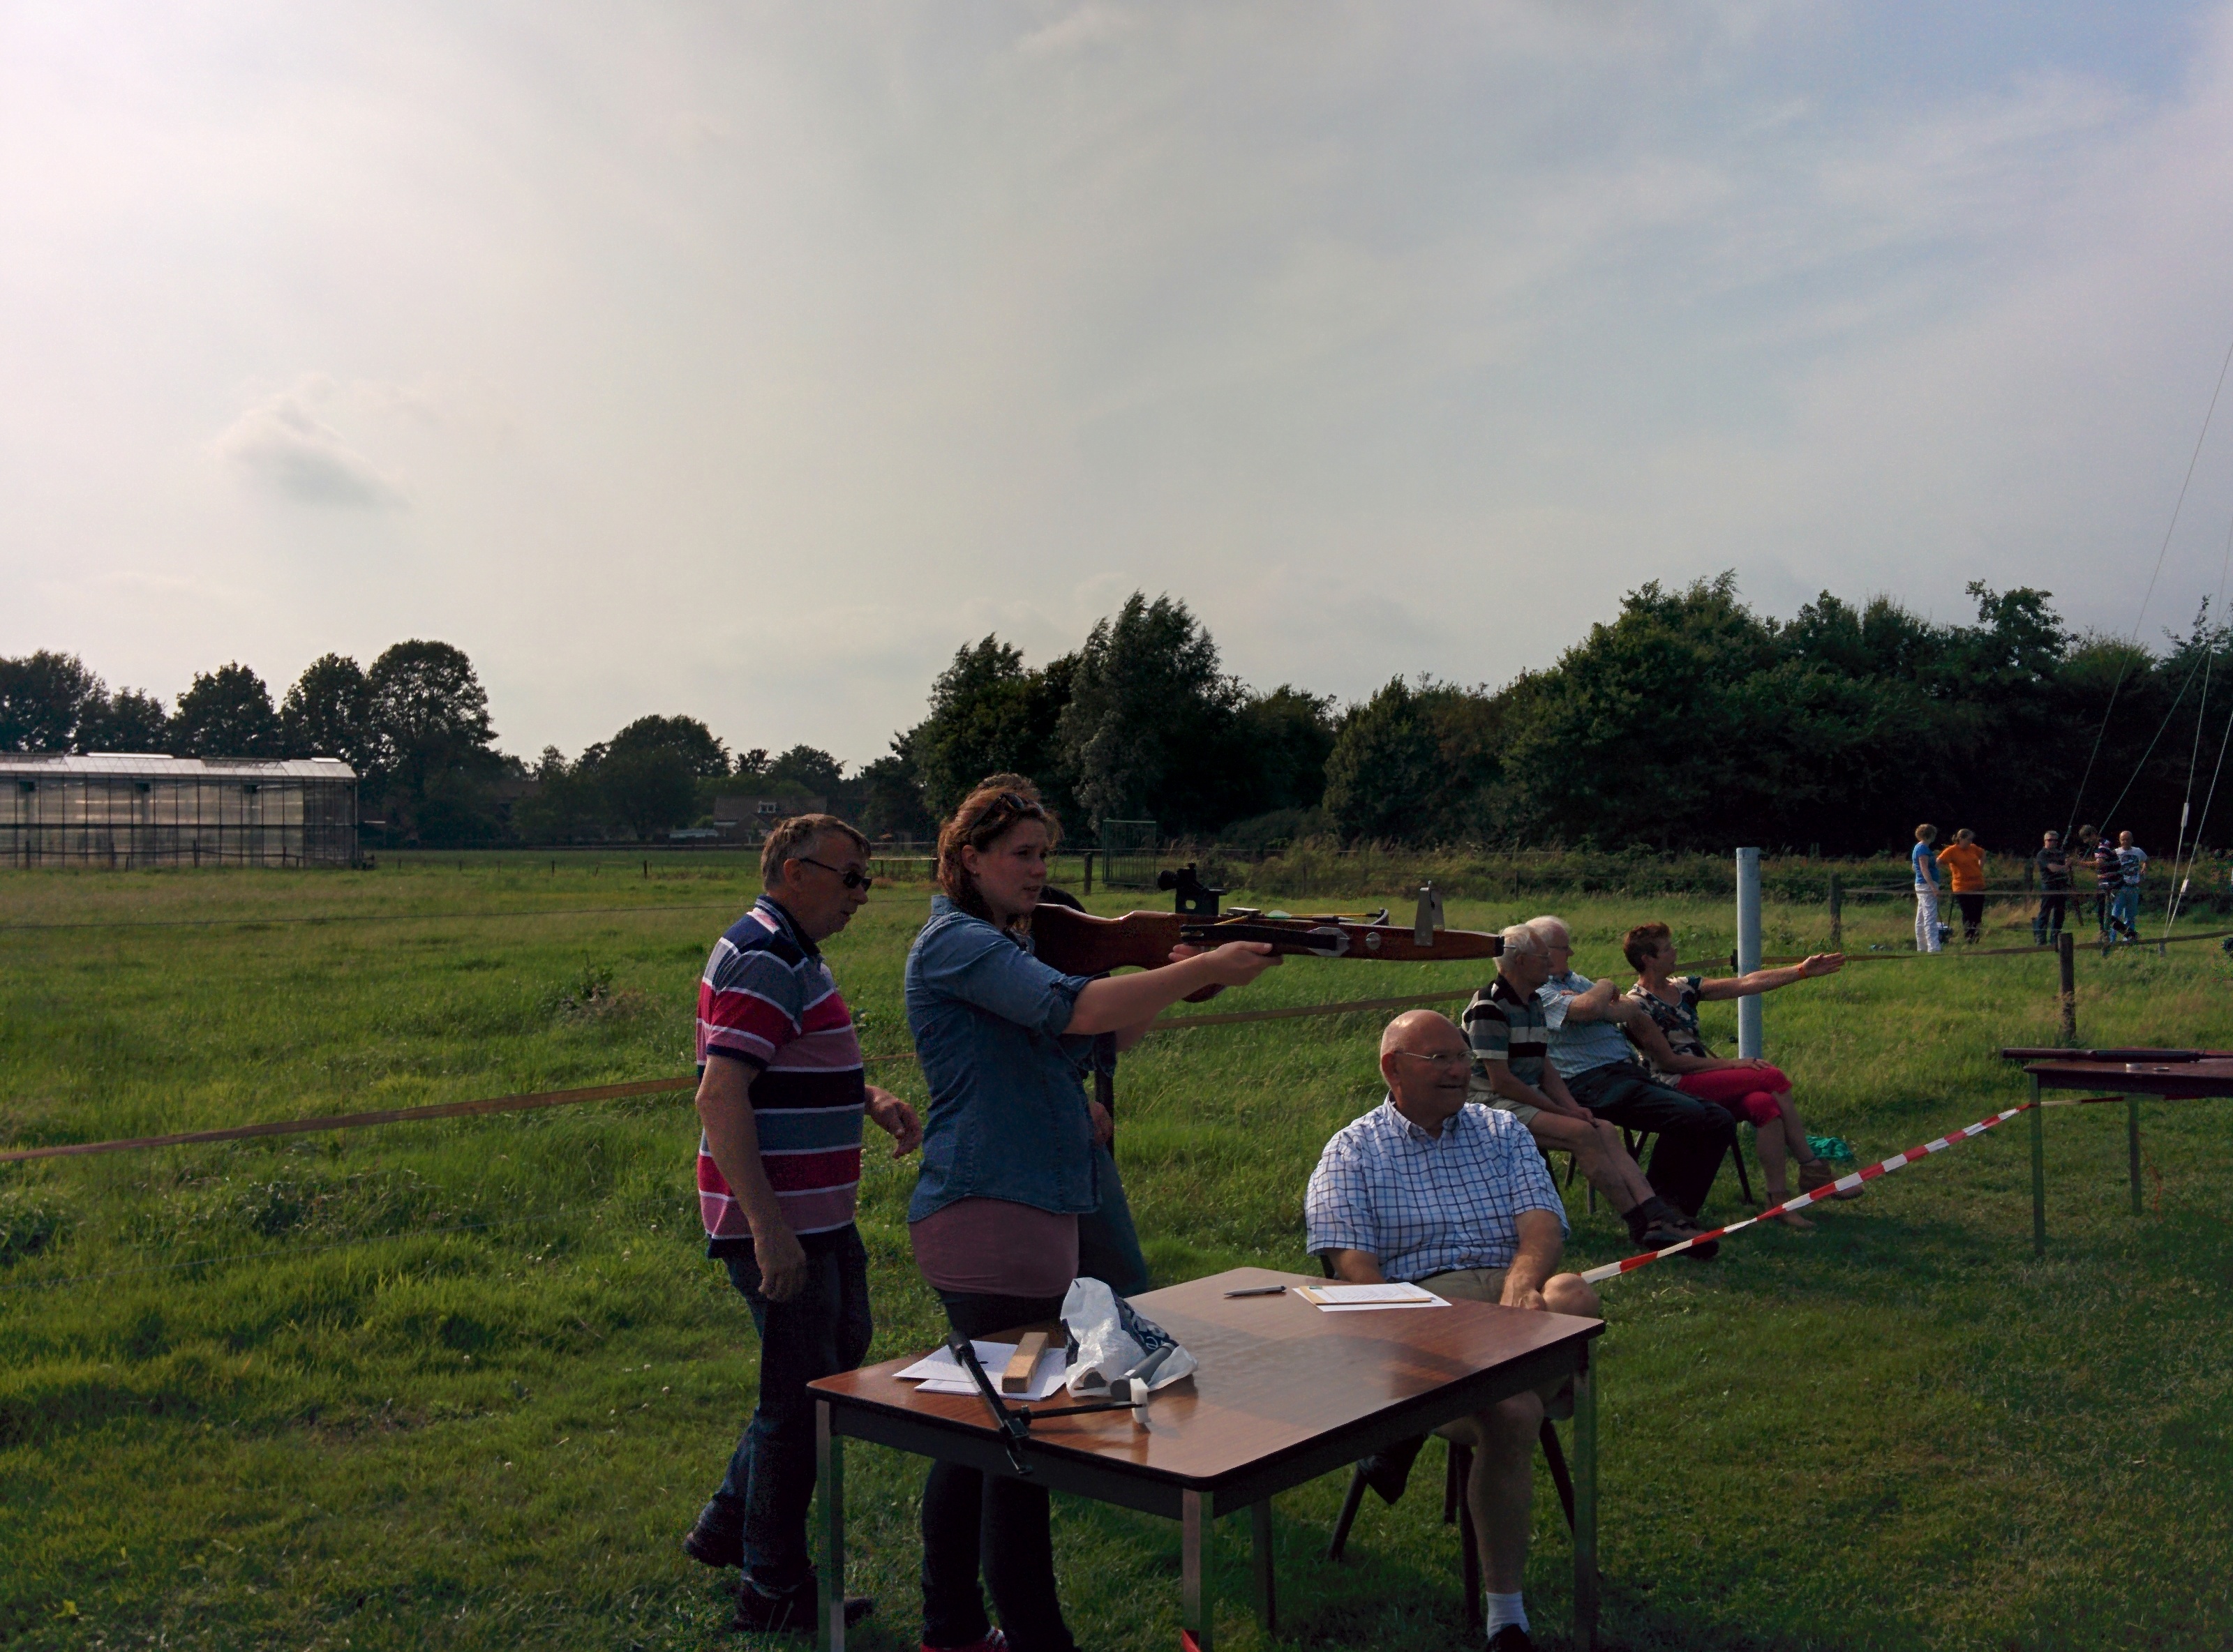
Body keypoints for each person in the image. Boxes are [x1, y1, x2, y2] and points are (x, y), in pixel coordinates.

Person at [906, 781, 1279, 1652]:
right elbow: (1074, 1008)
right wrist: (1198, 968)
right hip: (987, 1211)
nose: (1038, 869)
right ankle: (1033, 1637)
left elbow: (1105, 1034)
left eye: (1044, 853)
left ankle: (950, 1626)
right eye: (1020, 854)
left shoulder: (1011, 943)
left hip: (1026, 1209)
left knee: (983, 1433)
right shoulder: (958, 942)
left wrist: (1167, 975)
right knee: (1018, 1444)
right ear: (968, 858)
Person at [684, 815, 925, 1634]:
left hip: (815, 1216)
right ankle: (774, 1585)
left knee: (828, 1362)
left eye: (867, 878)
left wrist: (867, 1096)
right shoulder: (767, 956)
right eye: (850, 876)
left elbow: (781, 1062)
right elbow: (720, 1094)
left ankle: (729, 1524)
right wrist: (768, 1229)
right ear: (795, 872)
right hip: (785, 1222)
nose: (862, 894)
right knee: (802, 1403)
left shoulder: (786, 948)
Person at [1305, 1009, 1603, 1652]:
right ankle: (1507, 1618)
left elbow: (1542, 1221)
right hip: (1429, 1312)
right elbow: (1355, 1270)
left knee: (1573, 1293)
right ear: (1393, 1068)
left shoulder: (1501, 1129)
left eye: (1462, 1057)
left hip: (1511, 1299)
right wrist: (1419, 1331)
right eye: (1439, 1059)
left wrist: (1522, 1281)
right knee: (1515, 1413)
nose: (1459, 1070)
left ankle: (1409, 1433)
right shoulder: (1352, 1150)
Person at [1463, 922, 1708, 1256]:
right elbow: (1501, 1081)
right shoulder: (1488, 1006)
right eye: (1543, 957)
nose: (1550, 963)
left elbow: (1544, 1066)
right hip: (1489, 1102)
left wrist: (1573, 1108)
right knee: (1581, 1133)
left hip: (1520, 1094)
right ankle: (1642, 1224)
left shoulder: (1531, 1001)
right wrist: (1562, 1112)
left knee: (1602, 1128)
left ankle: (1656, 1214)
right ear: (1520, 962)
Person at [1620, 923, 1856, 1229]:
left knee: (1764, 1106)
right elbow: (1670, 1063)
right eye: (1667, 949)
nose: (1675, 951)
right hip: (1671, 1087)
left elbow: (1746, 983)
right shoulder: (1636, 1005)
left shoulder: (1684, 987)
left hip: (1701, 1080)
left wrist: (1801, 971)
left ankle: (1778, 1203)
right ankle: (1812, 1167)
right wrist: (1733, 1064)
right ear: (1648, 960)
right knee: (1770, 1076)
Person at [1525, 915, 1738, 1223]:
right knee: (1688, 1114)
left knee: (1719, 1118)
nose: (1571, 953)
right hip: (1588, 1083)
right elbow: (1589, 1009)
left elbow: (1630, 1008)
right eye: (1564, 947)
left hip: (1626, 1075)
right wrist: (1604, 988)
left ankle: (1678, 1207)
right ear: (1542, 951)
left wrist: (1596, 1004)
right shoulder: (1537, 992)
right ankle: (1659, 1211)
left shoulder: (1576, 982)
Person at [1036, 883, 1150, 1297]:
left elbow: (1113, 1034)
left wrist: (1170, 972)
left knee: (1118, 1283)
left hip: (1075, 1138)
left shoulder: (1056, 927)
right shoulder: (995, 962)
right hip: (1034, 1146)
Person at [1936, 827, 1987, 943]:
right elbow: (1939, 861)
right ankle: (1969, 936)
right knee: (1968, 912)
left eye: (1971, 840)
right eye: (1968, 839)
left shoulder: (1973, 848)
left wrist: (1980, 867)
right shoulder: (1951, 851)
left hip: (1978, 885)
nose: (1970, 842)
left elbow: (1983, 854)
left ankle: (1976, 936)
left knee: (1978, 913)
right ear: (1961, 839)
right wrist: (1936, 874)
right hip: (1962, 887)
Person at [2090, 827, 2137, 943]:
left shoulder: (2103, 846)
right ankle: (2125, 934)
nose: (2086, 842)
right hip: (2113, 883)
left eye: (2087, 839)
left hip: (2112, 884)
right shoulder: (2107, 845)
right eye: (2123, 839)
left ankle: (2115, 935)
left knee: (2106, 913)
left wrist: (2078, 863)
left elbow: (2100, 863)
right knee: (2106, 913)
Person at [2032, 829, 2071, 946]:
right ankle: (2040, 939)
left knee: (2060, 913)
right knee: (2045, 912)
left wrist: (2068, 864)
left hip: (2061, 885)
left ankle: (2055, 939)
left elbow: (2067, 867)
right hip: (2049, 886)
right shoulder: (2042, 854)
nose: (2053, 842)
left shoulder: (2060, 853)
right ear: (2045, 841)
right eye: (2050, 840)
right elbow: (2052, 868)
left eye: (2055, 840)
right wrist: (2064, 867)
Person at [1911, 823, 1944, 954]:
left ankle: (1922, 946)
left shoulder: (1919, 848)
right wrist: (1933, 887)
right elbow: (1924, 869)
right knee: (1930, 916)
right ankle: (1934, 947)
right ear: (1930, 835)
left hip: (1922, 884)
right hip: (1926, 885)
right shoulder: (1923, 849)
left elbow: (1915, 867)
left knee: (1921, 916)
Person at [2114, 829, 2149, 939]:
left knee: (2130, 916)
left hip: (2134, 887)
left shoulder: (2138, 851)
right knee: (2115, 915)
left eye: (2128, 839)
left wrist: (2144, 869)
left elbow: (2146, 860)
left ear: (2132, 840)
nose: (2125, 842)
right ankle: (2111, 940)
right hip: (2120, 887)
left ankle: (2129, 939)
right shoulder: (2116, 853)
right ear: (2120, 841)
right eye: (2123, 839)